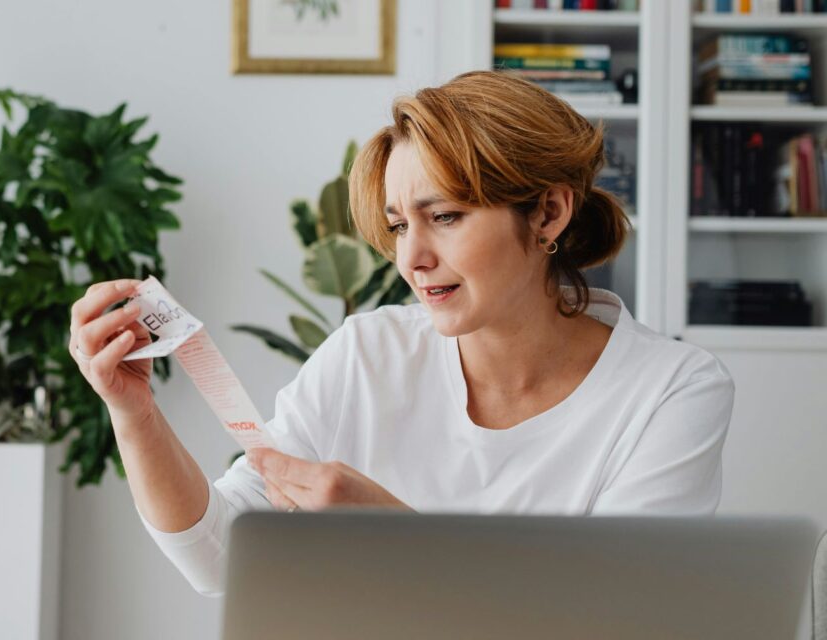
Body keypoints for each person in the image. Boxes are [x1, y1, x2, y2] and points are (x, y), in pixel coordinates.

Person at [66, 71, 735, 597]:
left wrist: (395, 538)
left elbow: (620, 617)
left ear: (549, 212)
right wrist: (133, 412)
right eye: (396, 226)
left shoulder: (671, 390)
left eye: (443, 216)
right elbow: (220, 559)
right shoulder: (368, 354)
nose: (410, 259)